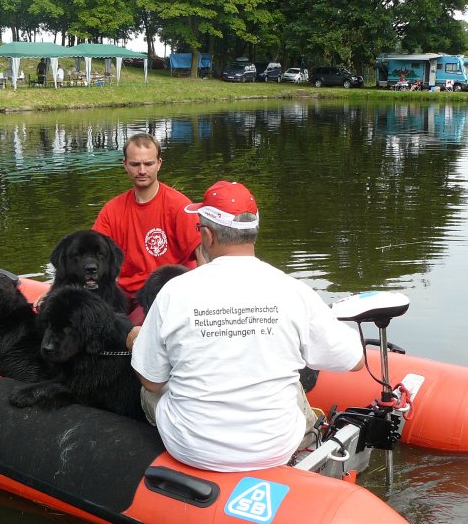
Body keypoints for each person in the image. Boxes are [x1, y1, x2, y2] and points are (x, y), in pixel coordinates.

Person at [131, 181, 364, 472]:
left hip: (191, 448)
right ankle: (306, 435)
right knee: (291, 380)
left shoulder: (173, 292)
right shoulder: (293, 290)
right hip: (274, 448)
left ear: (206, 235)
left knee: (149, 388)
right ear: (253, 232)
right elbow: (354, 361)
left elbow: (152, 381)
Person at [93, 133, 200, 321]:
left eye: (148, 164)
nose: (142, 170)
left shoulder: (179, 206)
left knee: (129, 325)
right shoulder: (112, 210)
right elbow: (91, 255)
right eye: (135, 164)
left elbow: (203, 258)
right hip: (126, 295)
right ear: (125, 164)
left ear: (159, 163)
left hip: (169, 293)